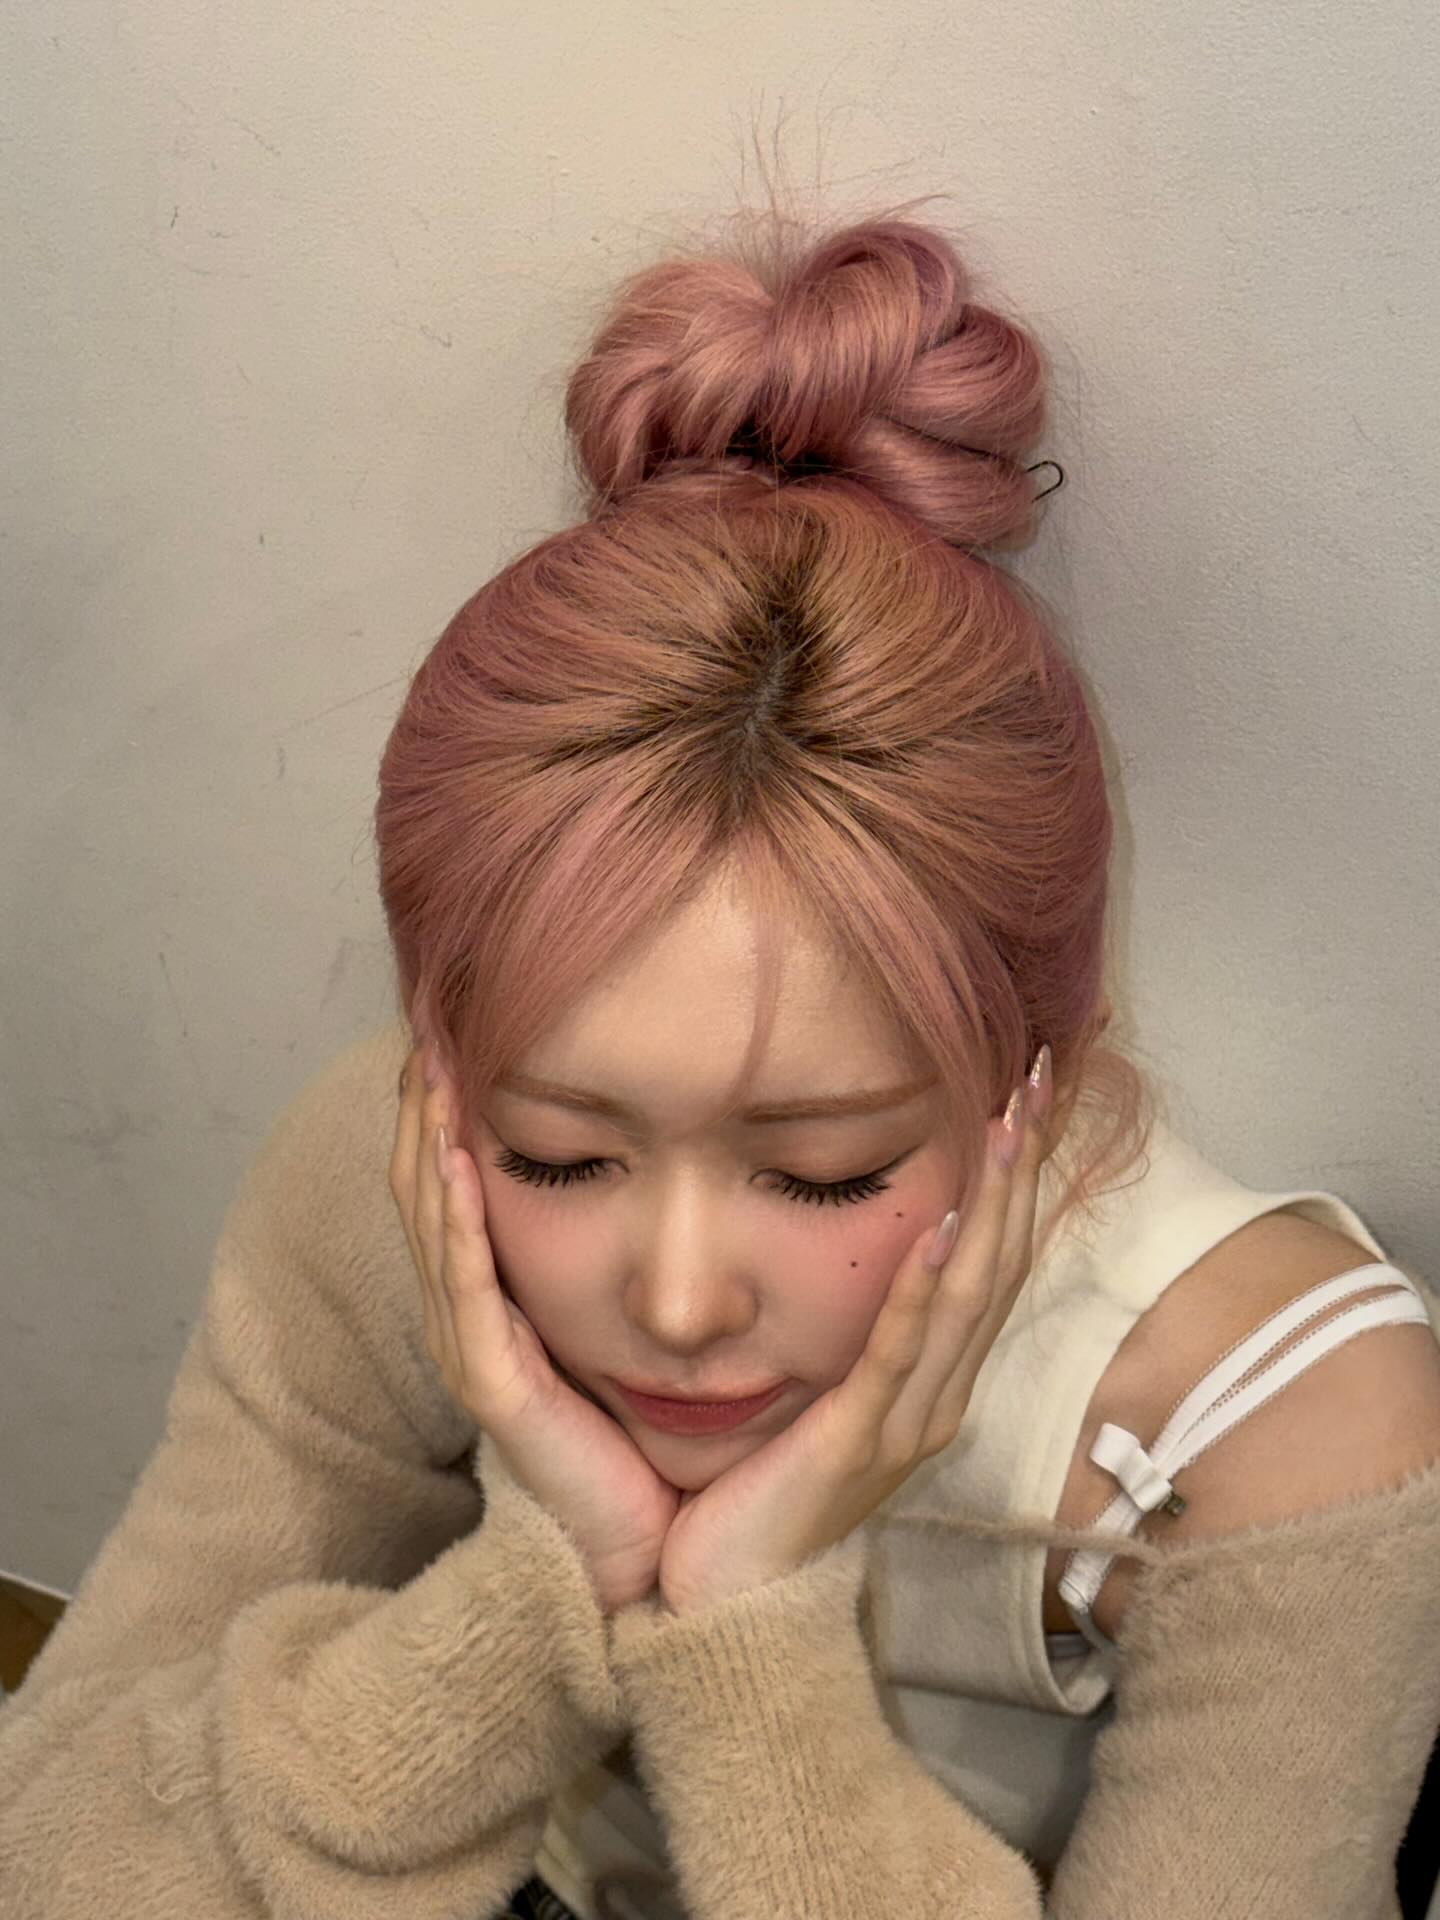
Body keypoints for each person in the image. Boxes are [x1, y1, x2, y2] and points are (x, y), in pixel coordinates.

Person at [4, 194, 1440, 1920]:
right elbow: (53, 1851)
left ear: (1036, 1078)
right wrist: (550, 1589)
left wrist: (752, 1634)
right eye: (561, 1153)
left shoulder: (1287, 1432)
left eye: (825, 1171)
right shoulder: (403, 1173)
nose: (679, 1303)